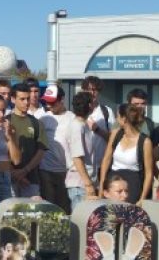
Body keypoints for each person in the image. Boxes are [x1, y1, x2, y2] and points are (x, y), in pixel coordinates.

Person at [98, 104, 154, 204]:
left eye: (118, 116)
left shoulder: (145, 141)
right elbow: (106, 160)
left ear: (124, 119)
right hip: (113, 181)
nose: (116, 119)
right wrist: (102, 186)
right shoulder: (116, 134)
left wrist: (142, 199)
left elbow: (149, 173)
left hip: (132, 184)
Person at [8, 83, 48, 198]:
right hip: (9, 181)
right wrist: (14, 173)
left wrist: (25, 171)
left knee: (31, 215)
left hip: (31, 180)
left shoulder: (36, 123)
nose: (26, 102)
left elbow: (41, 151)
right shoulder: (6, 121)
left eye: (28, 99)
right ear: (13, 99)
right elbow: (0, 152)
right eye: (22, 99)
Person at [37, 85, 73, 213]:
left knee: (64, 208)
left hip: (66, 171)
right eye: (46, 102)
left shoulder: (72, 118)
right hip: (46, 170)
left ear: (62, 99)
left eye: (52, 102)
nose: (49, 105)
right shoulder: (43, 118)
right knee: (49, 209)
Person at [65, 91, 98, 210]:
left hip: (85, 182)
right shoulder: (77, 127)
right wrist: (88, 184)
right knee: (80, 223)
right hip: (80, 184)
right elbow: (77, 157)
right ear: (89, 105)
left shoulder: (83, 125)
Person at [81, 76, 115, 186]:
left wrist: (97, 129)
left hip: (103, 166)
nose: (91, 93)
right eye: (88, 89)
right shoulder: (78, 112)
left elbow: (113, 139)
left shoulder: (107, 112)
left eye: (94, 90)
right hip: (84, 167)